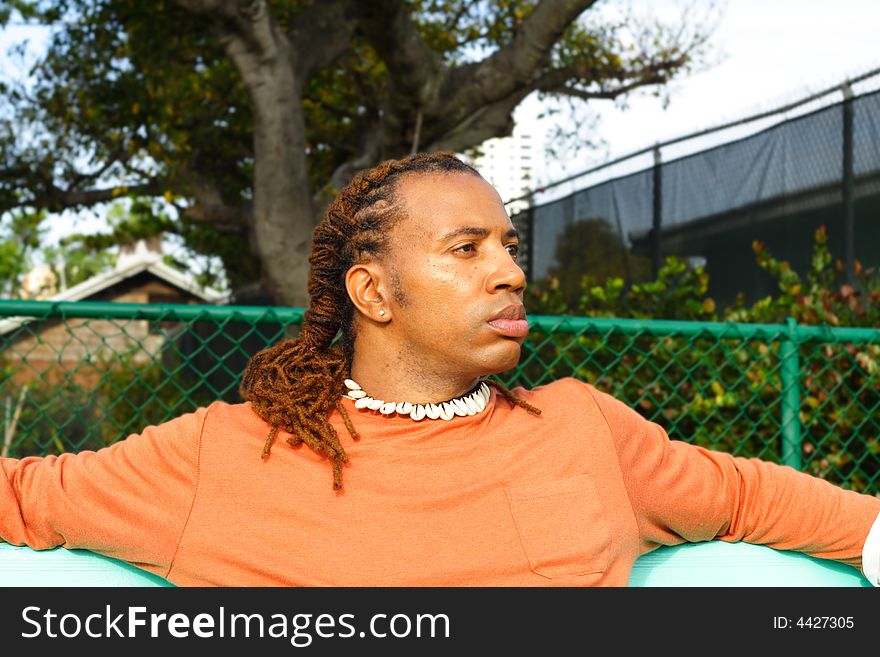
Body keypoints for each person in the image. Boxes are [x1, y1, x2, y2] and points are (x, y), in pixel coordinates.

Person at [1, 151, 879, 587]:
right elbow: (26, 496)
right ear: (373, 291)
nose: (511, 270)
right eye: (467, 248)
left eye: (508, 244)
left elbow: (745, 495)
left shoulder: (582, 426)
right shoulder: (220, 454)